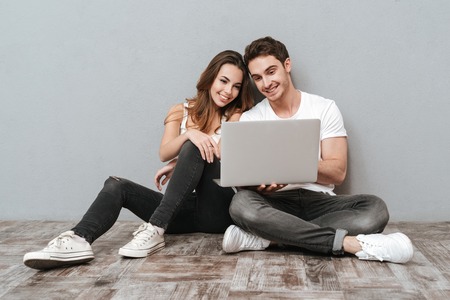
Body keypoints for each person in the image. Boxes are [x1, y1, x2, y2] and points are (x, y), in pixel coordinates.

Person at [23, 50, 253, 270]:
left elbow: (221, 154)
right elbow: (164, 152)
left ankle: (155, 228)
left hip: (217, 209)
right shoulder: (180, 110)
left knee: (195, 146)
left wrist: (187, 155)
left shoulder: (235, 113)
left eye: (236, 86)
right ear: (210, 78)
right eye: (223, 81)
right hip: (182, 208)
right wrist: (189, 135)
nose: (228, 91)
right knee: (116, 185)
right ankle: (78, 239)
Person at [221, 37, 414, 264]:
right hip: (275, 204)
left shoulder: (324, 108)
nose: (266, 83)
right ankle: (351, 244)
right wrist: (256, 184)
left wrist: (292, 167)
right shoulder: (250, 118)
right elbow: (242, 178)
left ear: (287, 65)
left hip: (320, 202)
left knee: (375, 209)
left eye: (271, 71)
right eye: (257, 78)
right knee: (241, 204)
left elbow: (338, 172)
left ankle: (270, 239)